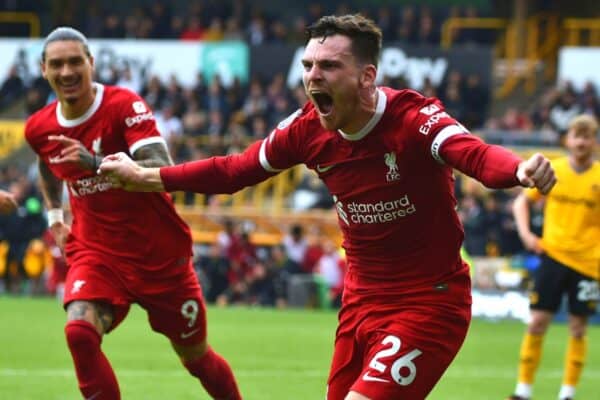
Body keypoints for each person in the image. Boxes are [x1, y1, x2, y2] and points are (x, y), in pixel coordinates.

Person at [100, 14, 556, 400]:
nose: (313, 76)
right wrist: (148, 177)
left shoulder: (414, 120)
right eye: (308, 65)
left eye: (329, 66)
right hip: (359, 302)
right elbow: (234, 172)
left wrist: (519, 171)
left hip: (428, 304)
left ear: (367, 76)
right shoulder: (305, 129)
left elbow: (475, 155)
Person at [24, 27, 241, 400]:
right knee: (79, 331)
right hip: (98, 254)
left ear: (91, 64)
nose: (67, 71)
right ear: (44, 69)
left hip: (158, 256)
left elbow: (161, 168)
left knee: (196, 359)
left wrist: (93, 163)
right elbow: (47, 164)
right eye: (57, 64)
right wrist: (55, 218)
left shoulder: (124, 106)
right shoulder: (39, 128)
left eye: (75, 61)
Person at [507, 114, 599, 400]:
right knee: (536, 322)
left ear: (594, 141)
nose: (582, 141)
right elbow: (522, 201)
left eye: (587, 136)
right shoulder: (553, 170)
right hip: (553, 256)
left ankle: (567, 394)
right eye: (577, 135)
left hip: (589, 262)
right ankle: (522, 392)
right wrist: (526, 235)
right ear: (567, 140)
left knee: (578, 327)